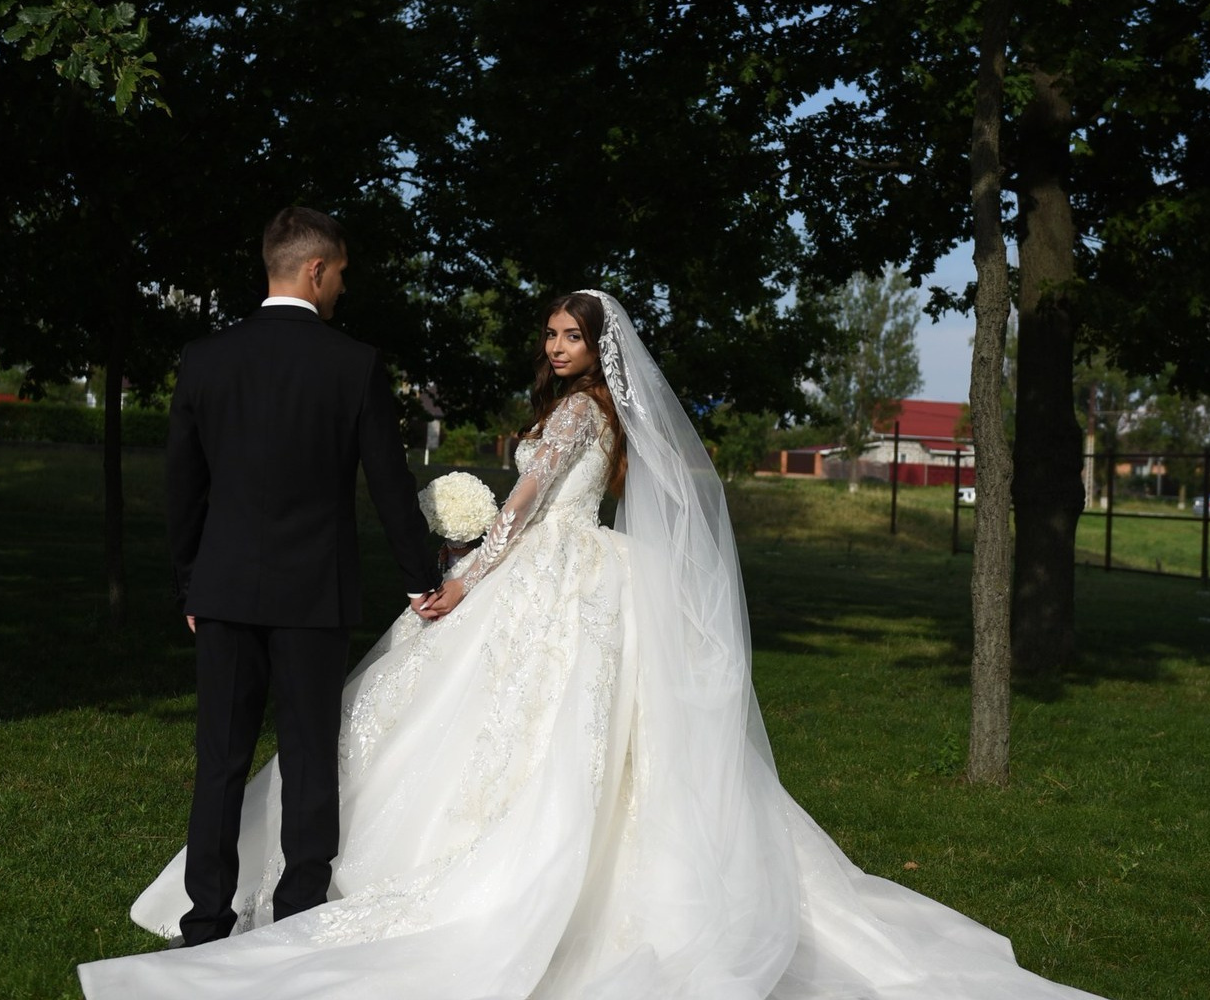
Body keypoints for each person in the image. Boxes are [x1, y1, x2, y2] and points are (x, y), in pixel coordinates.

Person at [80, 290, 1111, 1000]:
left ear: (596, 348)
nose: (556, 345)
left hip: (547, 573)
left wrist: (454, 579)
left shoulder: (577, 415)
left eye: (570, 334)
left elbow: (521, 516)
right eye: (552, 333)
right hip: (575, 572)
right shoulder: (584, 410)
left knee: (508, 727)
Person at [159, 206, 439, 950]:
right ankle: (297, 918)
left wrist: (191, 583)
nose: (343, 288)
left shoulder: (205, 358)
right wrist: (422, 580)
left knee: (218, 760)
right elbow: (388, 481)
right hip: (314, 593)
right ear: (316, 270)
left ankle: (205, 924)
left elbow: (182, 488)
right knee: (312, 755)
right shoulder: (354, 364)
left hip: (220, 591)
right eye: (341, 273)